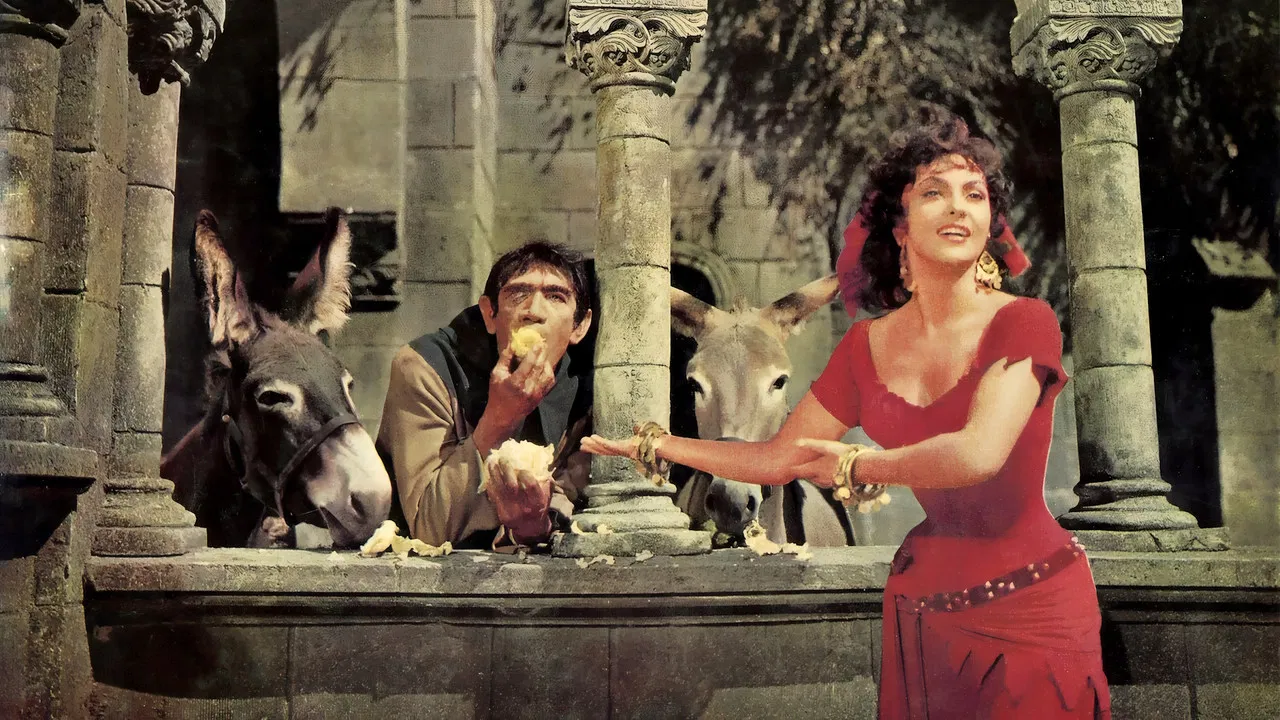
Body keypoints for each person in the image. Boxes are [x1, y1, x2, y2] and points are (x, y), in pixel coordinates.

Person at [582, 116, 1111, 718]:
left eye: (975, 194)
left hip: (1033, 603)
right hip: (923, 609)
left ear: (990, 222)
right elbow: (779, 459)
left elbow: (978, 453)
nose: (957, 207)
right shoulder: (864, 347)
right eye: (934, 192)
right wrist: (659, 445)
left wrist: (859, 464)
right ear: (900, 227)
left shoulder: (1025, 320)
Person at [378, 241, 594, 550]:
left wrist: (535, 525)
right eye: (518, 294)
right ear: (489, 314)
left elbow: (567, 502)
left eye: (556, 296)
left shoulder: (583, 393)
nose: (534, 312)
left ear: (579, 326)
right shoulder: (427, 367)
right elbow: (428, 529)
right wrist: (499, 418)